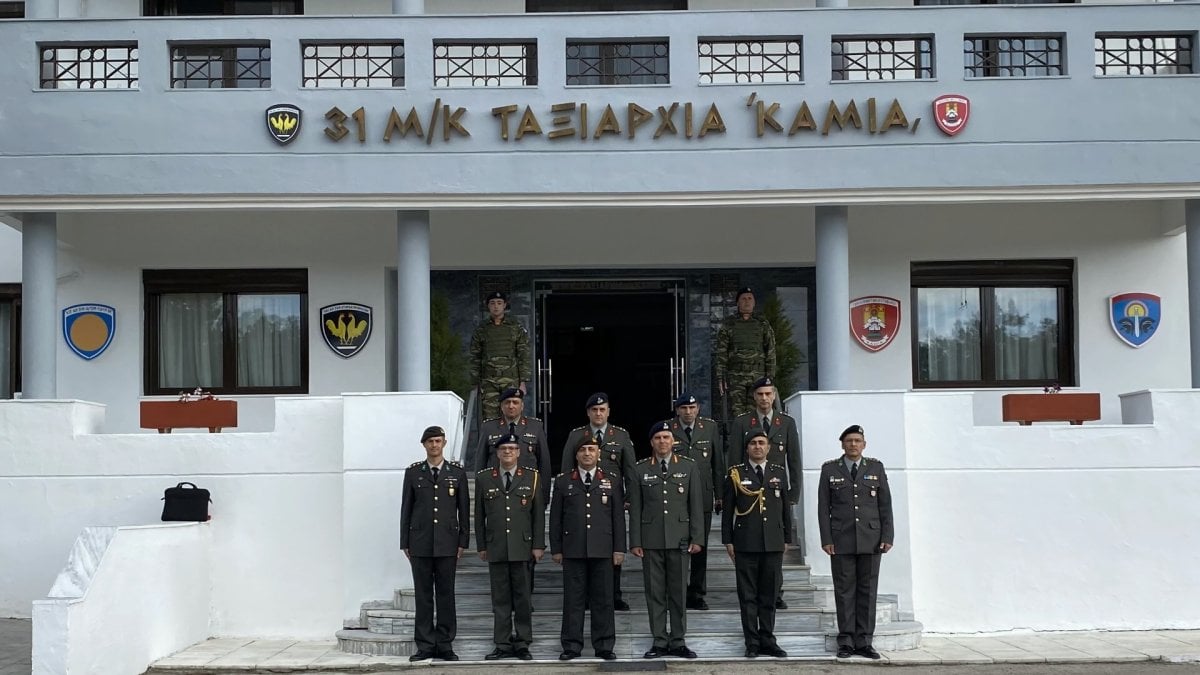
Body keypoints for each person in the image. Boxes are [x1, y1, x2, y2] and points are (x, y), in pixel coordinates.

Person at [817, 425, 894, 660]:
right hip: (841, 540)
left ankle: (864, 641)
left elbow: (885, 505)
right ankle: (846, 641)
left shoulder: (876, 468)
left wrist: (887, 536)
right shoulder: (830, 469)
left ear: (864, 444)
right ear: (842, 444)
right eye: (849, 441)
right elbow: (823, 507)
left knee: (868, 592)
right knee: (844, 592)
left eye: (857, 440)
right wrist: (827, 539)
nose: (853, 444)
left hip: (871, 539)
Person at [629, 421, 704, 659]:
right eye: (658, 438)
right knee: (655, 593)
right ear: (652, 442)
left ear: (674, 441)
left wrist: (697, 537)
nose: (662, 441)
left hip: (680, 539)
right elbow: (636, 508)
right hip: (651, 541)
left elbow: (695, 505)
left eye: (666, 437)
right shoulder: (640, 469)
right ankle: (660, 641)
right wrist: (635, 541)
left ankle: (679, 640)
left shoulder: (689, 467)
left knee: (678, 593)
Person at [549, 436, 625, 661]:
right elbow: (556, 519)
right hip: (573, 550)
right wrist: (556, 548)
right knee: (573, 600)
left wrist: (619, 548)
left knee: (604, 599)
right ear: (576, 454)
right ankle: (572, 645)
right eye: (583, 450)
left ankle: (604, 645)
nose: (587, 453)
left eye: (592, 449)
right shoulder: (563, 482)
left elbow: (618, 518)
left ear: (598, 454)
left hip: (603, 550)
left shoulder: (611, 480)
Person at [399, 425, 470, 662]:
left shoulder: (457, 473)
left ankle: (445, 644)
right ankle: (426, 645)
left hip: (448, 544)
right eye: (430, 442)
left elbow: (464, 510)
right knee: (423, 596)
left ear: (444, 443)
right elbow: (406, 509)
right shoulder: (413, 473)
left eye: (438, 441)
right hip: (419, 542)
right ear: (424, 445)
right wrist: (404, 542)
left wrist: (463, 541)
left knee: (446, 595)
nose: (434, 445)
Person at [728, 376, 800, 609]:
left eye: (768, 394)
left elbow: (794, 460)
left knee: (774, 544)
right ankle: (756, 592)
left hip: (776, 490)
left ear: (774, 396)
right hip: (748, 491)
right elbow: (735, 459)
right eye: (760, 394)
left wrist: (793, 494)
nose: (764, 398)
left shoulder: (786, 422)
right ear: (754, 397)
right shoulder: (742, 422)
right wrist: (736, 488)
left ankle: (775, 593)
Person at [561, 392, 637, 611]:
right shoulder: (577, 436)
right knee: (584, 548)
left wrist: (630, 498)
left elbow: (630, 471)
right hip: (582, 499)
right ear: (588, 413)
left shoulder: (621, 436)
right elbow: (567, 470)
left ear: (609, 412)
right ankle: (584, 597)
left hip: (610, 502)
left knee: (612, 548)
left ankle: (614, 595)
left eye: (602, 409)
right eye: (594, 410)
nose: (599, 413)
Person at [722, 429, 792, 658]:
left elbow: (785, 509)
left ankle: (768, 640)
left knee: (769, 595)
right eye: (753, 443)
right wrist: (728, 541)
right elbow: (727, 512)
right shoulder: (735, 474)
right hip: (745, 543)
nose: (758, 447)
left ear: (769, 447)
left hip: (772, 542)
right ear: (747, 448)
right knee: (748, 596)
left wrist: (787, 538)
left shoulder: (779, 473)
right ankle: (752, 642)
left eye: (762, 443)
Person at [476, 433, 546, 661]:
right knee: (500, 600)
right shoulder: (485, 478)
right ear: (497, 453)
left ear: (519, 452)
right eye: (503, 448)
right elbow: (479, 515)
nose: (507, 452)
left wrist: (538, 545)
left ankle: (523, 642)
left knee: (523, 598)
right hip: (496, 547)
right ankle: (502, 643)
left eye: (512, 449)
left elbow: (538, 516)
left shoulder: (532, 477)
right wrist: (482, 545)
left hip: (522, 546)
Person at [664, 392, 724, 610]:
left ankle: (697, 592)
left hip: (704, 496)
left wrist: (720, 494)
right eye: (683, 408)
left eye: (692, 408)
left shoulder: (709, 428)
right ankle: (677, 591)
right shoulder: (668, 428)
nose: (688, 412)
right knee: (677, 546)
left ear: (698, 408)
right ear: (677, 410)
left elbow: (718, 462)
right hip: (676, 496)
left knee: (701, 546)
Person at [475, 387, 551, 503]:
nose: (511, 406)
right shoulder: (488, 427)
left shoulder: (535, 427)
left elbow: (544, 464)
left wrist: (543, 498)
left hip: (527, 491)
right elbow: (480, 463)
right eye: (507, 402)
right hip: (497, 490)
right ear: (501, 406)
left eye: (515, 402)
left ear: (522, 406)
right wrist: (479, 495)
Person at [469, 291, 531, 421]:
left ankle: (512, 441)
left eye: (499, 303)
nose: (496, 306)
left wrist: (523, 382)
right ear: (488, 306)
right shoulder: (481, 329)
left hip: (511, 380)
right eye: (492, 303)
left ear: (505, 305)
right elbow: (475, 357)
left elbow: (523, 354)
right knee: (490, 418)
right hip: (489, 381)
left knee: (512, 414)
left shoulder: (515, 327)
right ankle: (492, 442)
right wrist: (475, 382)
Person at [715, 287, 776, 417]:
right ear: (738, 303)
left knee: (757, 412)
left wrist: (770, 377)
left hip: (758, 375)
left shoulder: (762, 324)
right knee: (738, 415)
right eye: (743, 299)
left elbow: (770, 351)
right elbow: (721, 353)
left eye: (750, 299)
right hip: (736, 376)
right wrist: (721, 376)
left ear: (754, 302)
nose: (747, 302)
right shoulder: (729, 324)